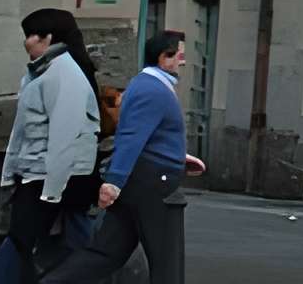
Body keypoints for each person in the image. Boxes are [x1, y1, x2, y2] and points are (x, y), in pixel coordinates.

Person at [44, 28, 203, 282]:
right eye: (179, 55)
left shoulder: (147, 85)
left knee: (106, 253)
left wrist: (178, 157)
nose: (183, 62)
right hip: (153, 184)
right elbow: (131, 137)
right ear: (164, 57)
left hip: (144, 178)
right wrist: (114, 182)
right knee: (167, 262)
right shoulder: (153, 89)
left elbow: (146, 135)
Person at [0, 8, 101, 279]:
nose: (25, 42)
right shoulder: (41, 72)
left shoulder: (61, 73)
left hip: (49, 176)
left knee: (21, 242)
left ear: (47, 38)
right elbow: (23, 130)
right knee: (69, 247)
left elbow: (64, 134)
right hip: (45, 174)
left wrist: (51, 190)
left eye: (30, 35)